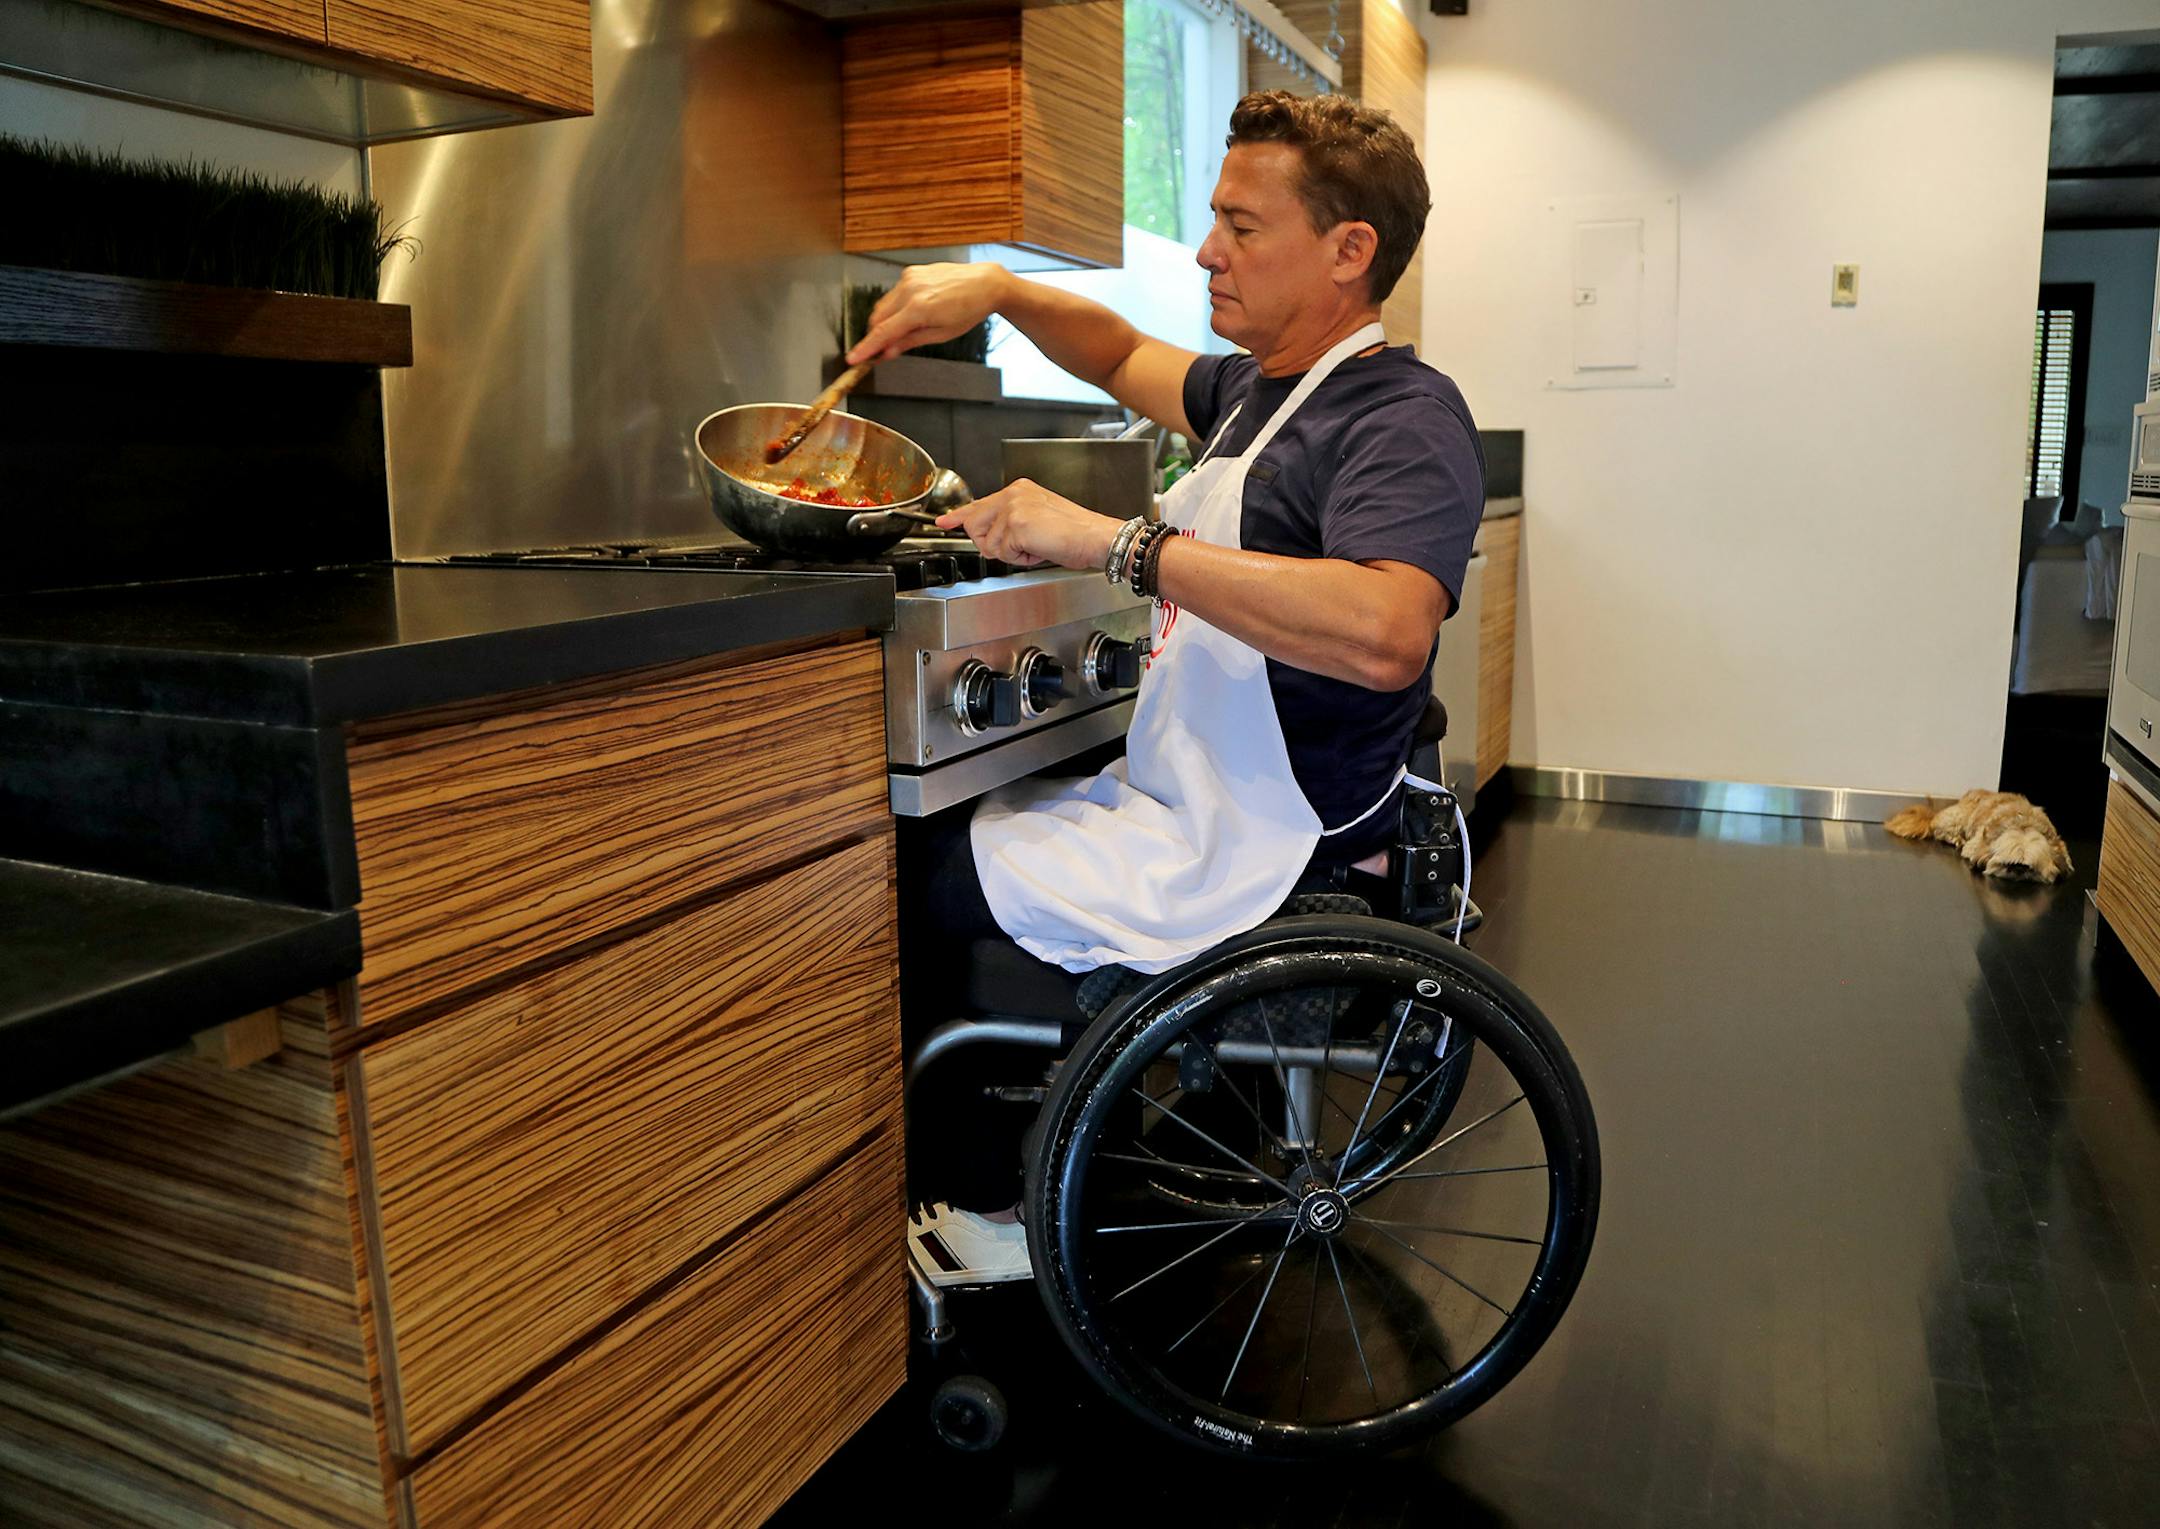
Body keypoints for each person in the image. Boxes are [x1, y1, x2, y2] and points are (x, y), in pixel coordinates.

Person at [879, 91, 1486, 1285]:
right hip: (1192, 800)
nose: (1208, 250)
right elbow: (1110, 351)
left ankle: (1003, 1200)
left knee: (924, 876)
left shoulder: (1403, 418)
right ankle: (1027, 1157)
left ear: (1348, 251)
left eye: (1242, 226)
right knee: (936, 836)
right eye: (1215, 218)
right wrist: (992, 289)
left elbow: (1385, 634)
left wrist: (1118, 543)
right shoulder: (1260, 394)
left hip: (1276, 839)